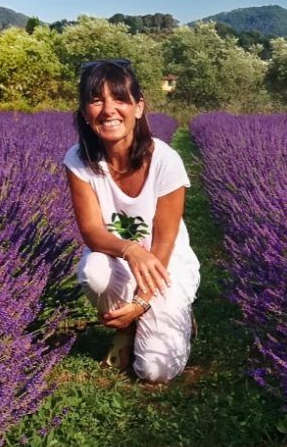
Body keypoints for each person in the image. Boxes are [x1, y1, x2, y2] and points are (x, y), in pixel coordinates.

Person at [63, 60, 200, 383]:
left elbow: (164, 242)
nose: (108, 110)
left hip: (165, 267)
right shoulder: (79, 160)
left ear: (138, 107)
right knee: (92, 271)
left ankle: (172, 315)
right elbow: (91, 231)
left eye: (119, 99)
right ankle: (125, 328)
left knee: (155, 371)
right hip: (118, 260)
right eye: (97, 100)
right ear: (84, 112)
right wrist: (131, 250)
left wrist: (142, 301)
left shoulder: (165, 160)